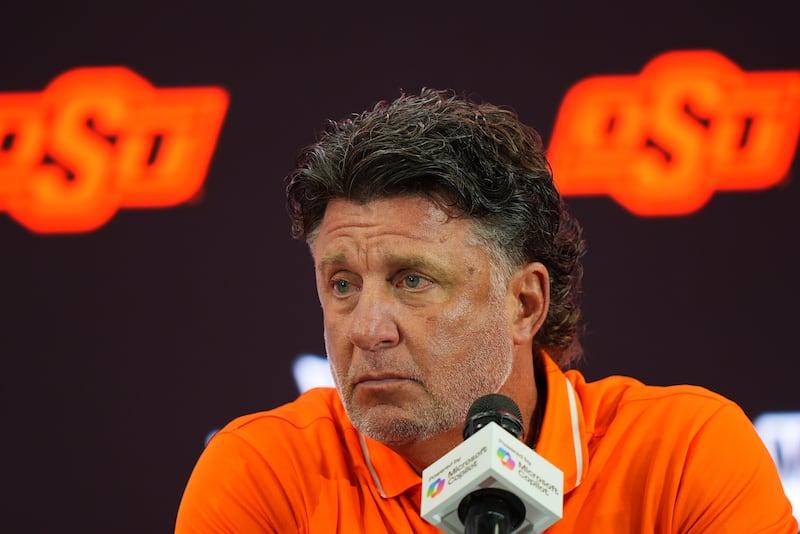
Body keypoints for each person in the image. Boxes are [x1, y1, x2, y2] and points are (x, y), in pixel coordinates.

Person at [175, 88, 796, 533]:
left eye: (412, 279)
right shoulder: (261, 475)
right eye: (342, 284)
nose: (365, 329)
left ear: (524, 303)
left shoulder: (684, 457)